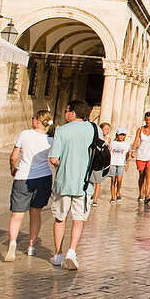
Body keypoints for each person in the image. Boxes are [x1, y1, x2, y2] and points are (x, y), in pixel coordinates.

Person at [48, 100, 97, 270]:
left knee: (60, 217)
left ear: (73, 113)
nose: (64, 114)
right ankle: (72, 251)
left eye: (67, 111)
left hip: (63, 182)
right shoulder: (93, 129)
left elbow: (54, 158)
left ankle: (58, 254)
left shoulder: (61, 130)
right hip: (84, 184)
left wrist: (62, 163)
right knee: (79, 218)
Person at [6, 110, 54, 261]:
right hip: (43, 177)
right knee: (36, 213)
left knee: (17, 214)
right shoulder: (50, 140)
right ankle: (31, 246)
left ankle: (12, 242)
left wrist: (13, 168)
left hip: (22, 177)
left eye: (34, 118)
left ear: (38, 121)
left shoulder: (24, 134)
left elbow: (14, 156)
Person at [130, 111, 150, 203]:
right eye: (146, 120)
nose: (147, 121)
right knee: (142, 175)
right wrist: (133, 150)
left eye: (149, 120)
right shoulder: (140, 129)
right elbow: (136, 140)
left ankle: (147, 195)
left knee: (149, 175)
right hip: (141, 154)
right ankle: (141, 193)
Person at [90, 123, 111, 206]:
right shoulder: (96, 138)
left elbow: (108, 152)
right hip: (94, 160)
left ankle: (95, 198)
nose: (107, 131)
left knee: (98, 182)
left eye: (108, 129)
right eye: (105, 129)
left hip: (101, 162)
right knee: (91, 179)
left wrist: (109, 163)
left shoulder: (108, 139)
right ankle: (90, 194)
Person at [108, 127, 129, 202]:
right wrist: (109, 163)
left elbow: (127, 154)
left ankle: (118, 192)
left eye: (123, 135)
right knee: (113, 180)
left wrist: (127, 164)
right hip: (113, 163)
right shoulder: (113, 143)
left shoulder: (126, 144)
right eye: (120, 135)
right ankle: (113, 196)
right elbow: (109, 153)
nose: (121, 137)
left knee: (119, 180)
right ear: (117, 135)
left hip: (121, 163)